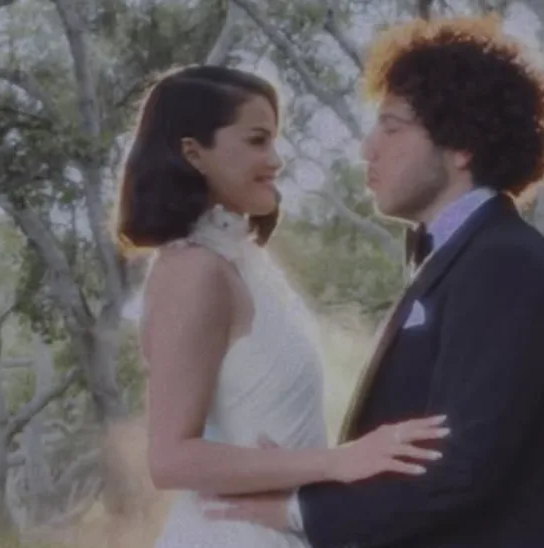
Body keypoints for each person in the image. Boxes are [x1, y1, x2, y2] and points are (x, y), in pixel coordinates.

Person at [206, 16, 544, 548]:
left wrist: (297, 512)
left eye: (392, 127)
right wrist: (307, 473)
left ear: (462, 145)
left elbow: (464, 467)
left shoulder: (505, 261)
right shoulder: (460, 256)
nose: (368, 148)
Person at [113, 65, 447, 548]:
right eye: (257, 141)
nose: (276, 159)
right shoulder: (192, 271)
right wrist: (337, 461)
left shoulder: (240, 263)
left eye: (274, 140)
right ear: (193, 153)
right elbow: (170, 459)